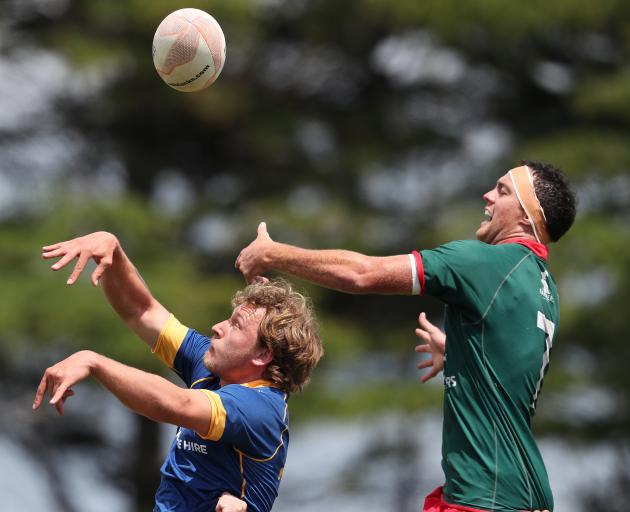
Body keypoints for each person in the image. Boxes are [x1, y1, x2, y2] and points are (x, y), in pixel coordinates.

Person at [235, 161, 577, 512]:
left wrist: (272, 253)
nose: (487, 195)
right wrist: (461, 353)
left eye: (503, 191)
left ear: (526, 218)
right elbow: (509, 373)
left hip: (485, 495)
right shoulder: (545, 286)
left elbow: (363, 274)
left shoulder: (484, 263)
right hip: (521, 491)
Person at [33, 231, 324, 512]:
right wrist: (113, 251)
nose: (217, 327)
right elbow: (142, 311)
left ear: (263, 354)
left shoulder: (259, 409)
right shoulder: (213, 367)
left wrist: (94, 361)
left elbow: (176, 403)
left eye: (235, 325)